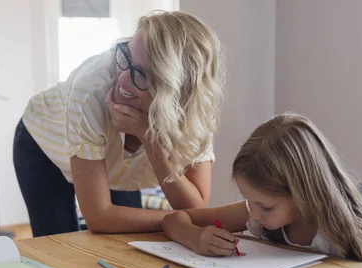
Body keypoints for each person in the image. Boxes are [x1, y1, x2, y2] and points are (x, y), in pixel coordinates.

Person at [13, 11, 224, 237]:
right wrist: (178, 220)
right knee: (58, 245)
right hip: (44, 142)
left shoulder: (195, 104)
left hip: (117, 165)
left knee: (129, 243)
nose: (121, 80)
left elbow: (194, 206)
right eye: (126, 56)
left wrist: (150, 139)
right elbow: (99, 217)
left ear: (175, 92)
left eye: (142, 74)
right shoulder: (91, 89)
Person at [162, 113, 362, 268]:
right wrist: (196, 238)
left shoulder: (348, 236)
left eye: (266, 206)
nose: (253, 215)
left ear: (303, 194)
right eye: (249, 201)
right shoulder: (256, 214)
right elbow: (175, 219)